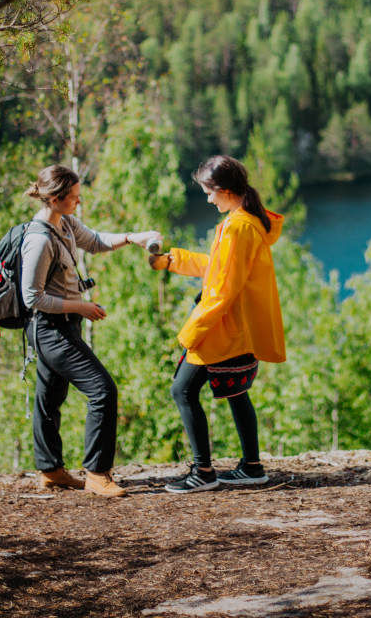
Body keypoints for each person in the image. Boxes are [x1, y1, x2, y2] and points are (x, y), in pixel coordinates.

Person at [21, 164, 161, 498]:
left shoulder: (65, 223)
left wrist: (132, 238)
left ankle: (51, 470)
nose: (78, 202)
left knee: (49, 397)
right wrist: (80, 306)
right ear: (55, 198)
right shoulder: (39, 240)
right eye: (73, 197)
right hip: (49, 330)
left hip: (64, 325)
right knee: (102, 390)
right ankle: (97, 474)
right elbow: (32, 297)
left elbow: (96, 242)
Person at [150, 155, 286, 494]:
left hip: (225, 326)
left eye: (209, 193)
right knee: (237, 393)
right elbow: (220, 267)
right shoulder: (248, 221)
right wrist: (172, 261)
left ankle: (203, 472)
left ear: (224, 190)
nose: (209, 200)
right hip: (239, 326)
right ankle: (252, 467)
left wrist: (191, 331)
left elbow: (223, 289)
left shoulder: (237, 227)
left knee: (182, 390)